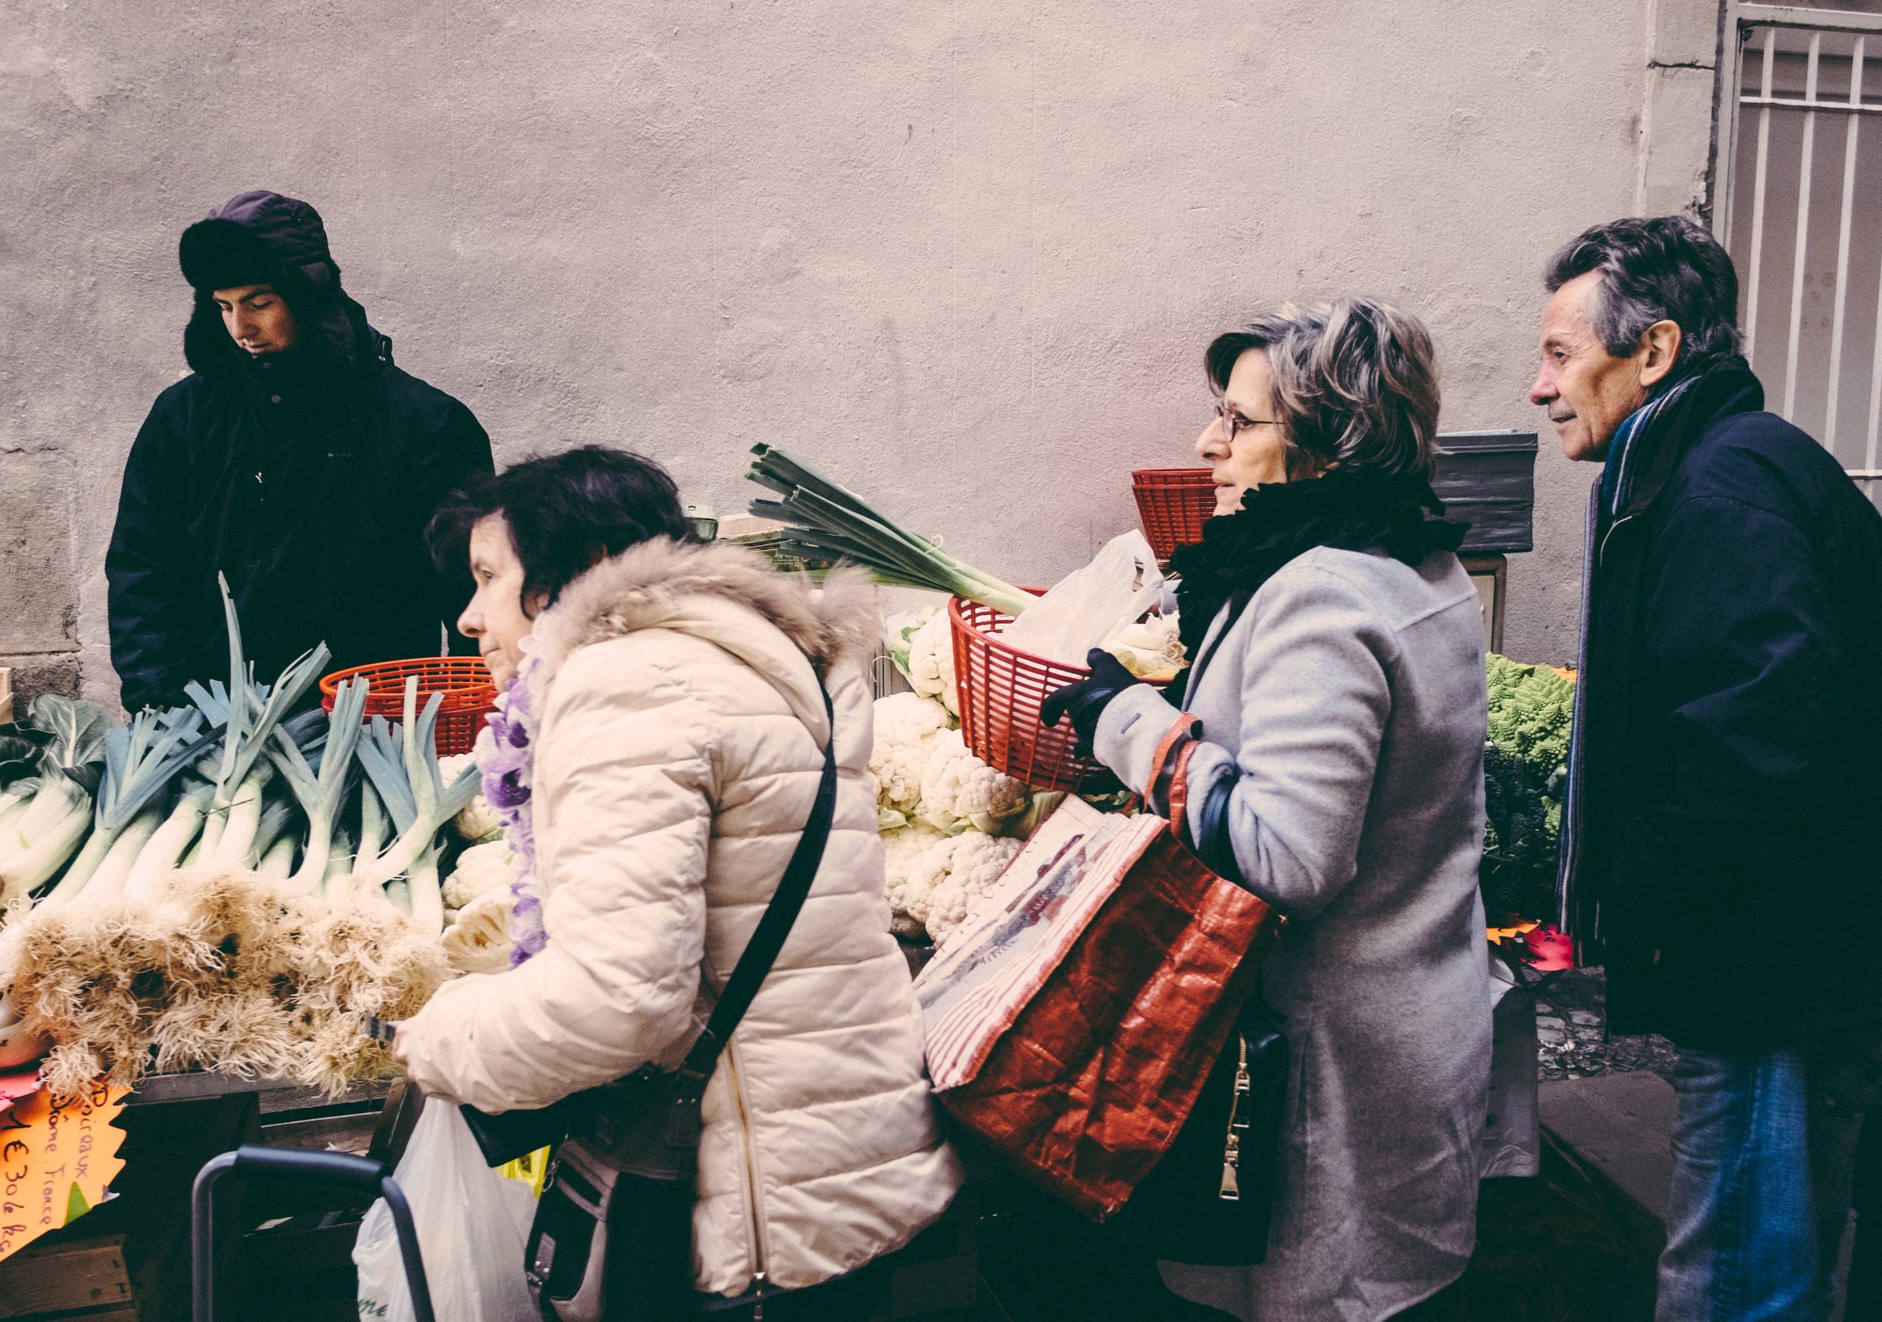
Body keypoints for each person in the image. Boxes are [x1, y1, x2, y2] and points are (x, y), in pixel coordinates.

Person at [392, 447, 963, 1316]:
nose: (470, 617)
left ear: (565, 577)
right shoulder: (742, 662)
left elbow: (616, 999)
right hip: (836, 1155)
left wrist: (435, 1039)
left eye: (488, 577)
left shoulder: (629, 685)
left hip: (757, 1196)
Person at [1043, 298, 1491, 1319]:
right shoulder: (1417, 560)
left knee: (1321, 1295)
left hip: (1329, 1064)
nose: (1209, 441)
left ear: (1327, 444)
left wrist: (1125, 721)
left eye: (1238, 421)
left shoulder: (1320, 593)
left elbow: (1288, 854)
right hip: (1412, 1021)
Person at [1529, 215, 1882, 1318]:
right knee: (1757, 1240)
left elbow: (1756, 738)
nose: (1539, 386)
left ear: (1655, 350)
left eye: (1556, 353)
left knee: (1731, 1271)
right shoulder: (1701, 466)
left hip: (1758, 960)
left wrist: (1643, 878)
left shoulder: (1719, 487)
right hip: (1774, 947)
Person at [106, 190, 493, 710]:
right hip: (212, 730)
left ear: (308, 294)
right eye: (224, 306)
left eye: (259, 303)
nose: (240, 328)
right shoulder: (184, 419)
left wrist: (480, 720)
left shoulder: (426, 425)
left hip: (371, 730)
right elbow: (143, 570)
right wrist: (158, 707)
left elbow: (471, 593)